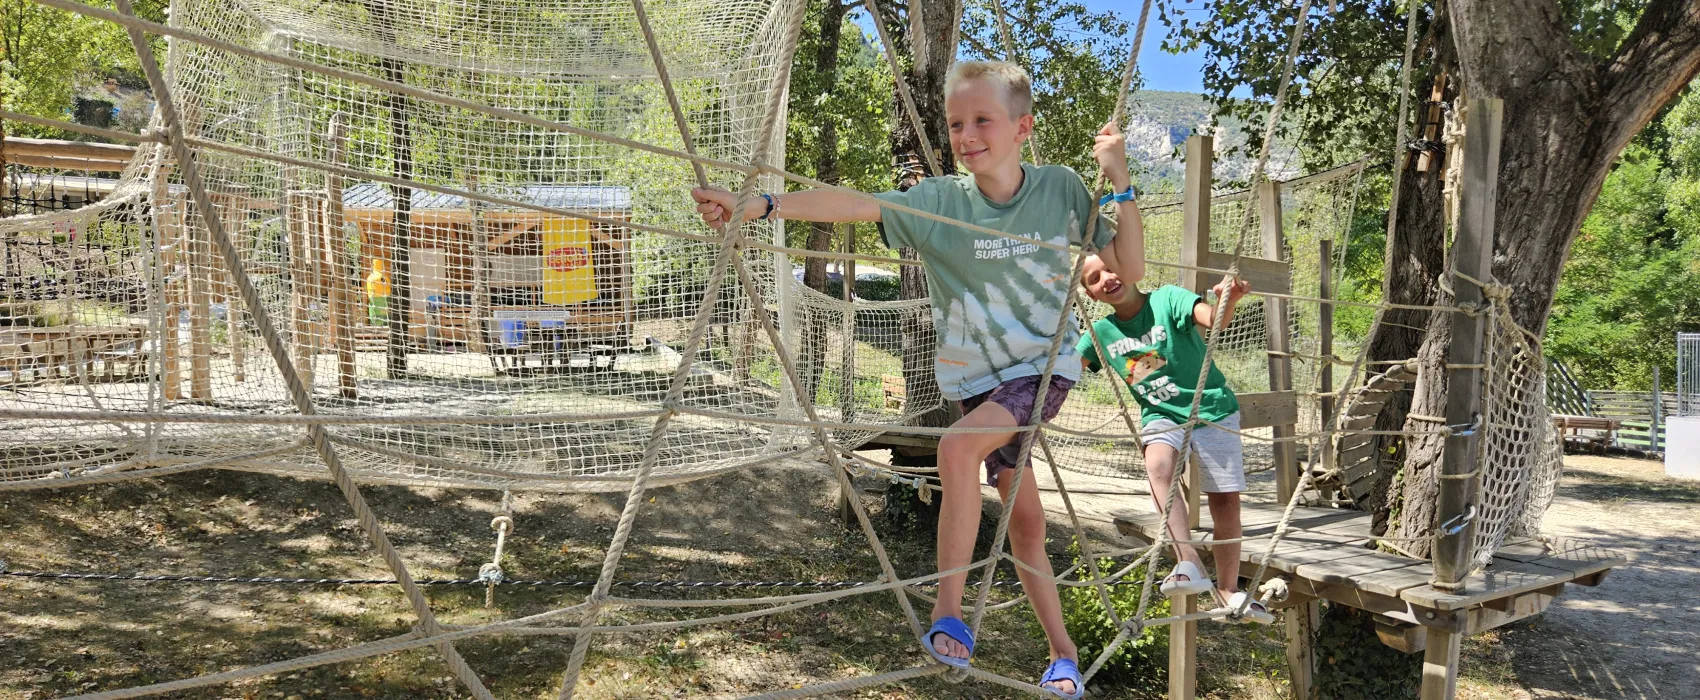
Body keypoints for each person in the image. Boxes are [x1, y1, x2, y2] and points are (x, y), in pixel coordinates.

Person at [691, 60, 1145, 699]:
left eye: (982, 120)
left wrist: (1120, 180)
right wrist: (759, 205)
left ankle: (948, 612)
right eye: (957, 123)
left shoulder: (1061, 189)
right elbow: (855, 205)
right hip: (972, 380)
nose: (966, 135)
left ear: (1023, 129)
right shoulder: (939, 202)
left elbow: (1131, 264)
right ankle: (1063, 655)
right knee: (1026, 528)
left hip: (1040, 371)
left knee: (956, 447)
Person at [1076, 257, 1275, 624]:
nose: (1106, 279)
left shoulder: (1167, 299)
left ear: (1130, 268)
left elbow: (1214, 320)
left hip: (1211, 406)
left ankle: (1229, 589)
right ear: (1090, 294)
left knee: (1226, 500)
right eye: (1094, 278)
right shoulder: (1100, 332)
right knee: (1158, 467)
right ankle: (1189, 560)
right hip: (1162, 415)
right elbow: (1067, 369)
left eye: (1110, 268)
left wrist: (1227, 300)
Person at [364, 258, 390, 326]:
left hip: (375, 307)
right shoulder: (385, 278)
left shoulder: (370, 278)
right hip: (384, 305)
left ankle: (375, 324)